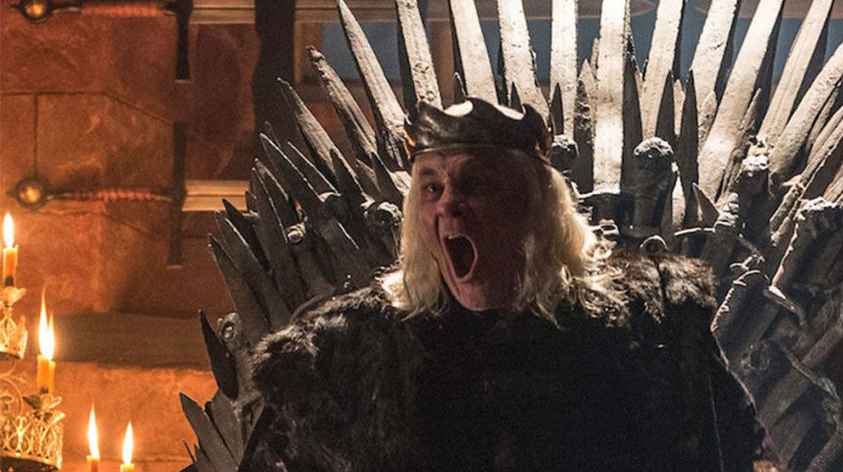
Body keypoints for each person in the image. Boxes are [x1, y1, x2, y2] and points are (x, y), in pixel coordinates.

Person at [247, 98, 768, 470]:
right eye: (431, 187)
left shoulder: (652, 325)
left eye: (474, 183)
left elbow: (744, 454)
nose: (449, 204)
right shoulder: (338, 353)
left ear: (535, 204)